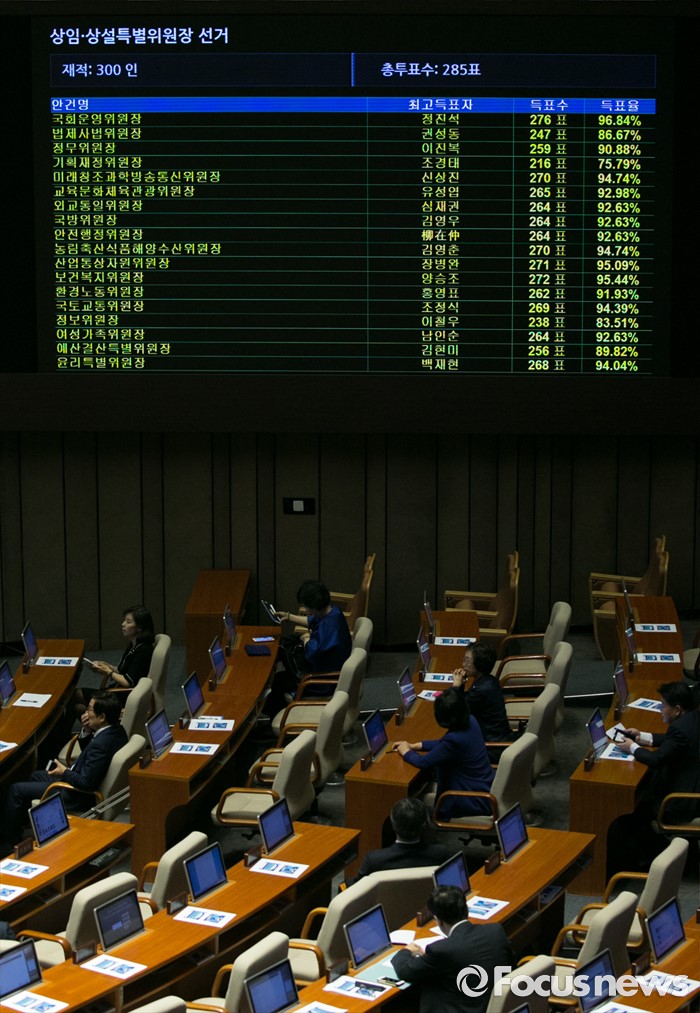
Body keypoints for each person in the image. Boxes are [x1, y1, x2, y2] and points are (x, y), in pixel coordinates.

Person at [1, 692, 128, 850]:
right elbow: (91, 757)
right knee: (36, 775)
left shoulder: (101, 744)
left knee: (16, 790)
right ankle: (23, 826)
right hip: (79, 778)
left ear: (102, 717)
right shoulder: (117, 731)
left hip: (77, 794)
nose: (85, 712)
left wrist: (64, 772)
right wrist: (86, 730)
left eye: (89, 709)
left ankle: (7, 843)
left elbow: (86, 783)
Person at [607, 680, 700, 876]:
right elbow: (672, 741)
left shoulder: (680, 729)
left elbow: (656, 759)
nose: (660, 709)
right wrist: (642, 737)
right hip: (692, 787)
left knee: (634, 815)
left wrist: (632, 747)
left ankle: (651, 860)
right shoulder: (692, 718)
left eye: (663, 705)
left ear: (677, 709)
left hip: (681, 802)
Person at [391, 884, 514, 1013]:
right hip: (497, 1004)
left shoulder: (441, 950)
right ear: (466, 909)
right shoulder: (495, 931)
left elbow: (406, 970)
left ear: (438, 920)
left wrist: (406, 950)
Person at [394, 688, 495, 818]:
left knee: (420, 800)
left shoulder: (453, 741)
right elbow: (443, 744)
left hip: (470, 799)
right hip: (484, 787)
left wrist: (406, 752)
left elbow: (423, 762)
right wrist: (416, 745)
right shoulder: (471, 720)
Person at [349, 797, 453, 883]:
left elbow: (358, 890)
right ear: (425, 825)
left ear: (392, 825)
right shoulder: (441, 854)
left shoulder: (374, 860)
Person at [453, 641, 515, 760]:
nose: (463, 664)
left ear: (479, 664)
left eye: (467, 661)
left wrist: (456, 685)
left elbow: (455, 710)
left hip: (491, 747)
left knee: (447, 750)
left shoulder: (482, 689)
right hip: (495, 738)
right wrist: (462, 685)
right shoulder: (488, 680)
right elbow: (465, 702)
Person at [280, 579, 352, 674]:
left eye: (305, 606)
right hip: (327, 661)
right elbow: (312, 621)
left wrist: (306, 639)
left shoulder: (329, 627)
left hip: (323, 674)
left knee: (281, 673)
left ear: (312, 606)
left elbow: (312, 651)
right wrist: (289, 616)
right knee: (287, 641)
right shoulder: (334, 612)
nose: (305, 609)